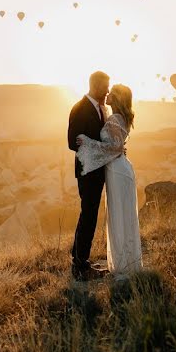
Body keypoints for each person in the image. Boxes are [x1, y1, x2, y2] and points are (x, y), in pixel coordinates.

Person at [75, 83, 143, 278]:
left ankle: (123, 265)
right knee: (123, 215)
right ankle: (127, 262)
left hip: (117, 170)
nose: (108, 93)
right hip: (120, 168)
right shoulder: (120, 117)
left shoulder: (114, 118)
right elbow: (117, 146)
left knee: (119, 215)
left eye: (112, 92)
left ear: (118, 97)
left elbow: (114, 147)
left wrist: (88, 144)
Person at [67, 71, 110, 281]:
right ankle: (81, 266)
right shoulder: (80, 108)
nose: (108, 91)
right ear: (95, 86)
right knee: (89, 216)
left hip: (97, 171)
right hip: (87, 171)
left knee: (88, 214)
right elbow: (71, 142)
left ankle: (77, 257)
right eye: (105, 87)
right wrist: (101, 149)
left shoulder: (101, 108)